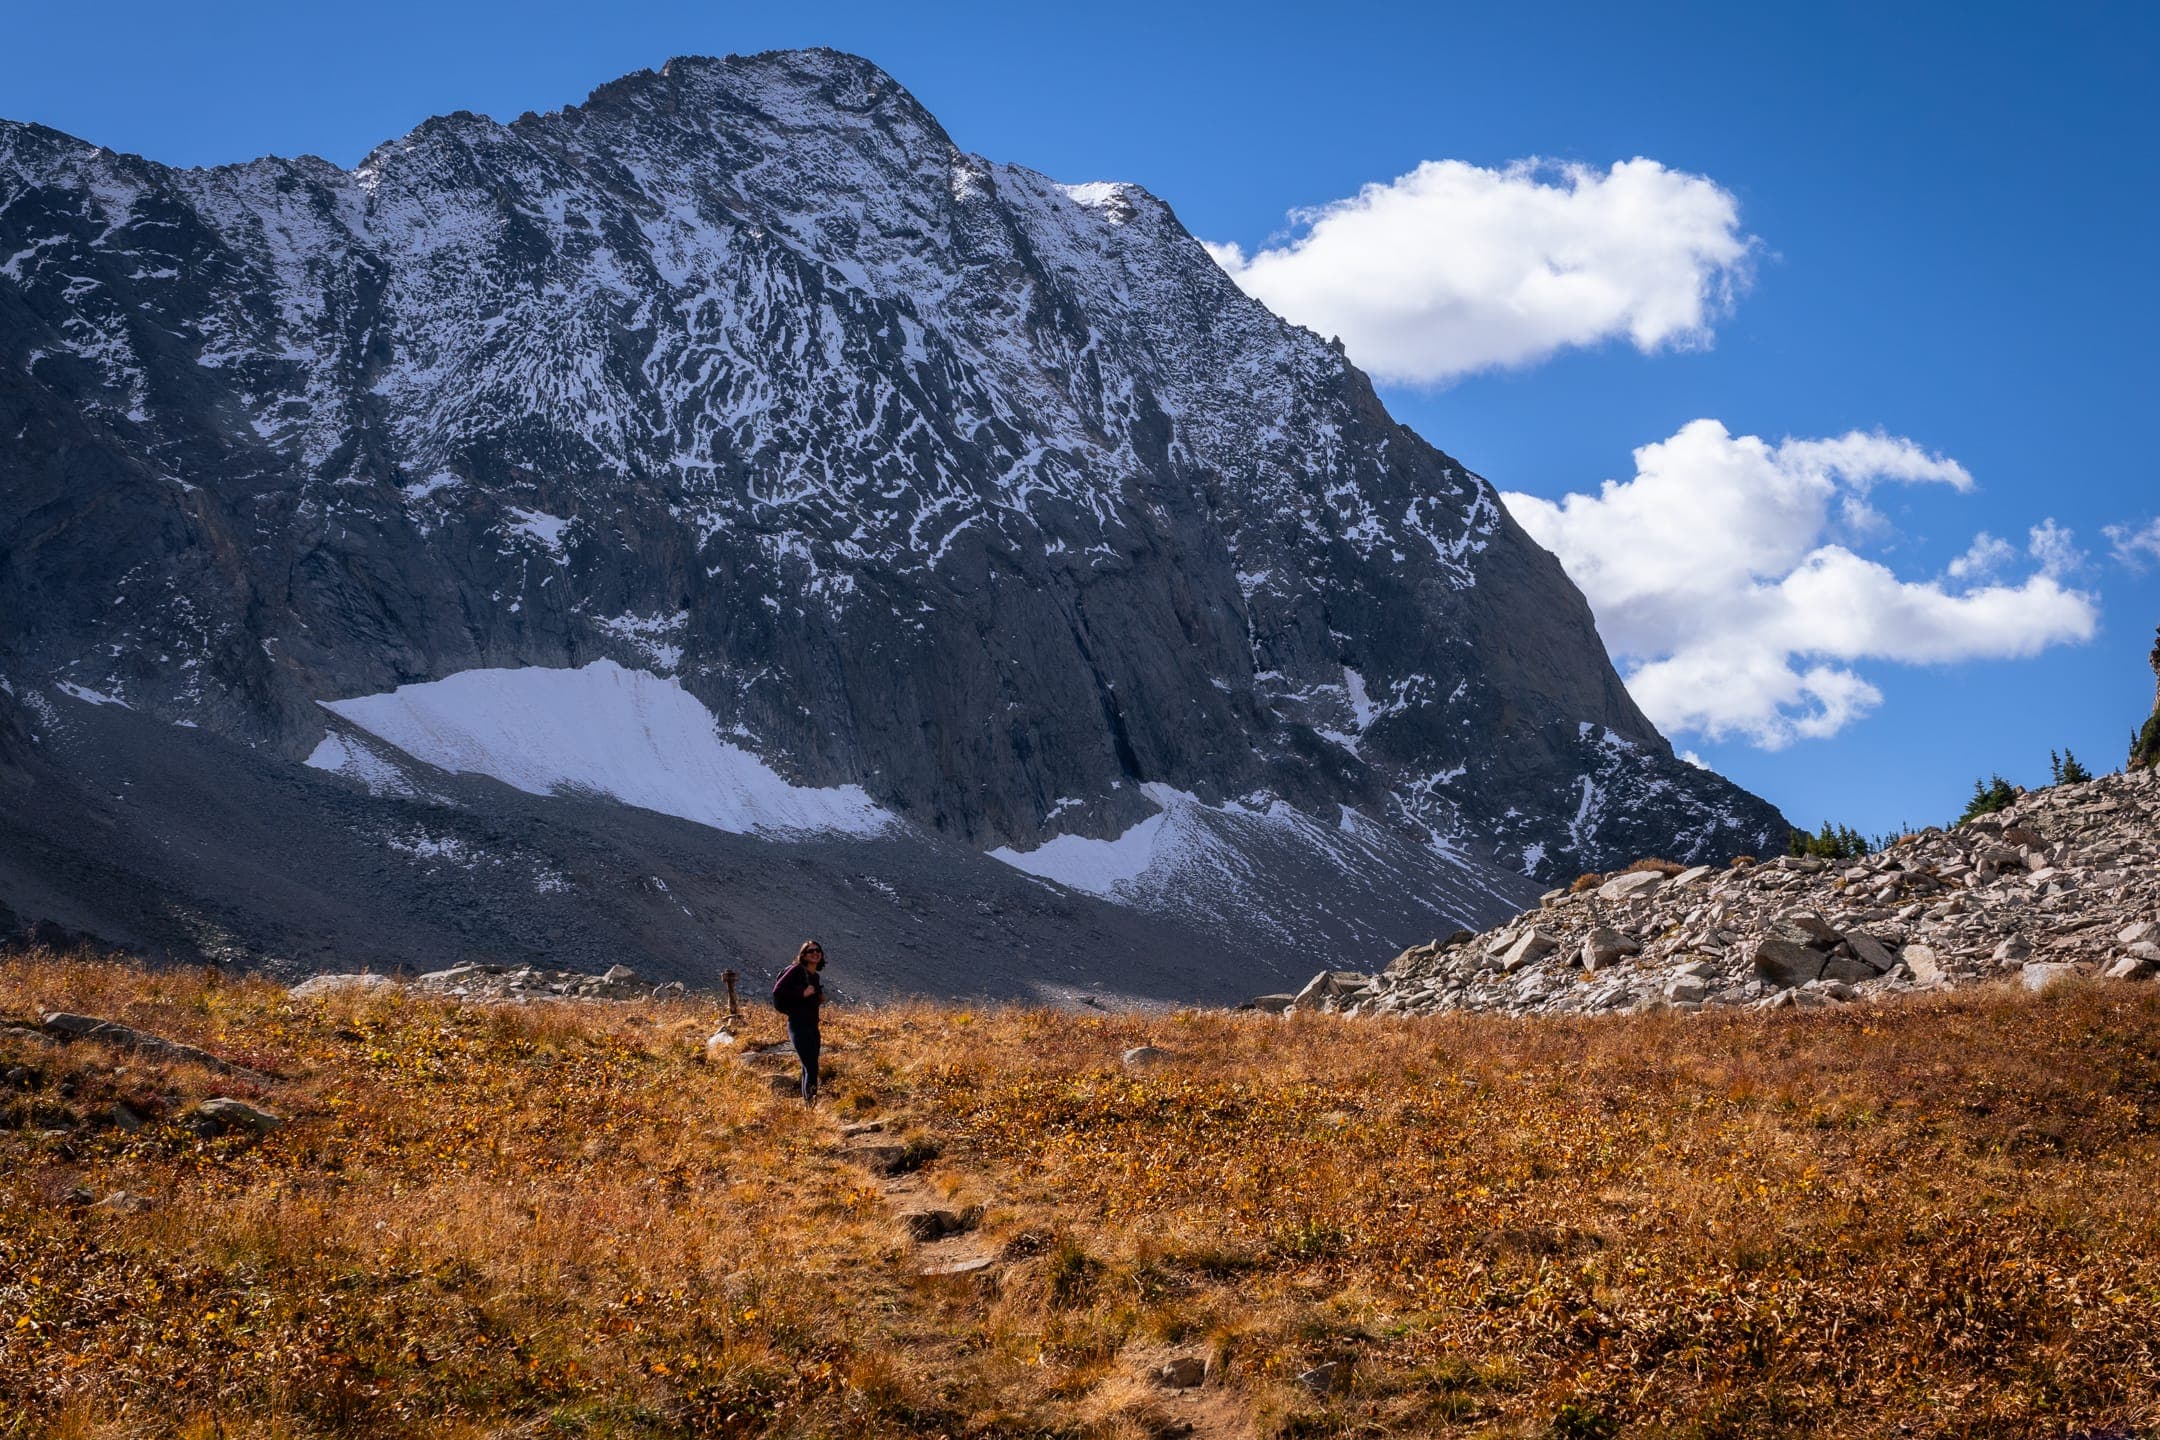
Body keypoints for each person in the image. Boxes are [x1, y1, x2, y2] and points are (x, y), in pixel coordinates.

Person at [770, 940, 826, 1104]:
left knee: (809, 1066)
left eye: (818, 950)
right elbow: (777, 991)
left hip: (812, 1026)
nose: (815, 953)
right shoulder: (795, 970)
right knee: (811, 1067)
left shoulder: (815, 976)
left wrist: (819, 998)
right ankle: (811, 1106)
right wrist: (802, 993)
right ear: (803, 955)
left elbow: (810, 1000)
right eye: (811, 951)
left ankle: (809, 1106)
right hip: (798, 1025)